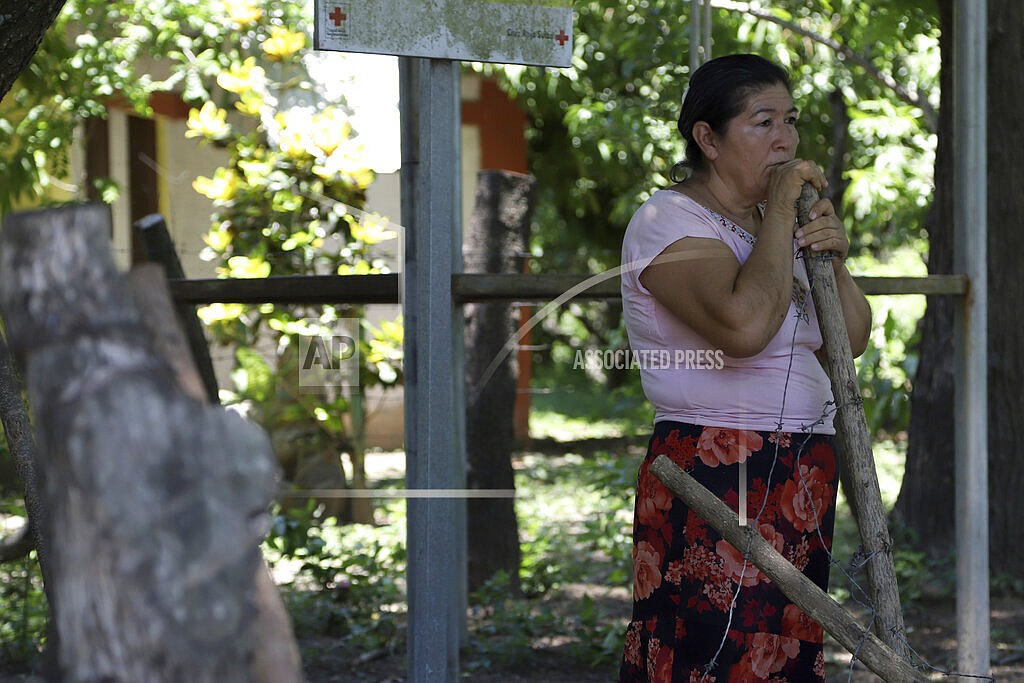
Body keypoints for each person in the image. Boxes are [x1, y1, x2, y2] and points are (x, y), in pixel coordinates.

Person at [617, 53, 871, 682]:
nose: (784, 139)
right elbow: (744, 328)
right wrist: (784, 216)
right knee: (709, 652)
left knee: (782, 656)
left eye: (790, 120)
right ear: (708, 138)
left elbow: (852, 340)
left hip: (799, 469)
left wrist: (832, 258)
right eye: (763, 122)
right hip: (713, 468)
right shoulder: (667, 220)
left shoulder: (775, 226)